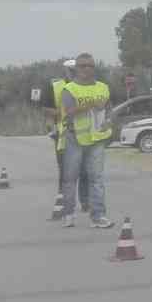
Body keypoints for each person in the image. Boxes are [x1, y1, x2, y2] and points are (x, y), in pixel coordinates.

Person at [60, 53, 114, 228]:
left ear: (94, 68)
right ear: (76, 68)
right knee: (70, 178)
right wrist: (89, 105)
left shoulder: (103, 87)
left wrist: (108, 121)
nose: (86, 69)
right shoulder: (70, 89)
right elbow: (68, 111)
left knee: (96, 178)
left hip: (97, 139)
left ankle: (98, 216)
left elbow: (109, 109)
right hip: (74, 138)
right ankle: (69, 213)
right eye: (82, 66)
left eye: (90, 66)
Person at [37, 59, 88, 216]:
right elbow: (45, 108)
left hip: (85, 133)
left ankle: (86, 201)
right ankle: (64, 202)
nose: (74, 73)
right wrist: (58, 115)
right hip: (63, 133)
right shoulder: (55, 86)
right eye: (71, 71)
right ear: (65, 71)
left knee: (85, 169)